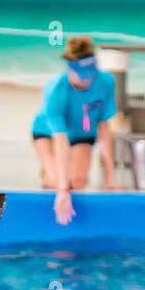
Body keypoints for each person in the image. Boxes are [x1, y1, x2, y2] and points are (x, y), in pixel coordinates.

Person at [31, 35, 121, 226]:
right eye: (81, 75)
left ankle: (59, 175)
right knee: (57, 181)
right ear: (70, 69)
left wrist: (110, 179)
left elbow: (104, 128)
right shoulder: (56, 89)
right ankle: (49, 175)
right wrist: (63, 190)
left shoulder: (106, 82)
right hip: (48, 133)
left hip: (82, 133)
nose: (86, 81)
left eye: (90, 74)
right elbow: (60, 139)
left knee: (78, 181)